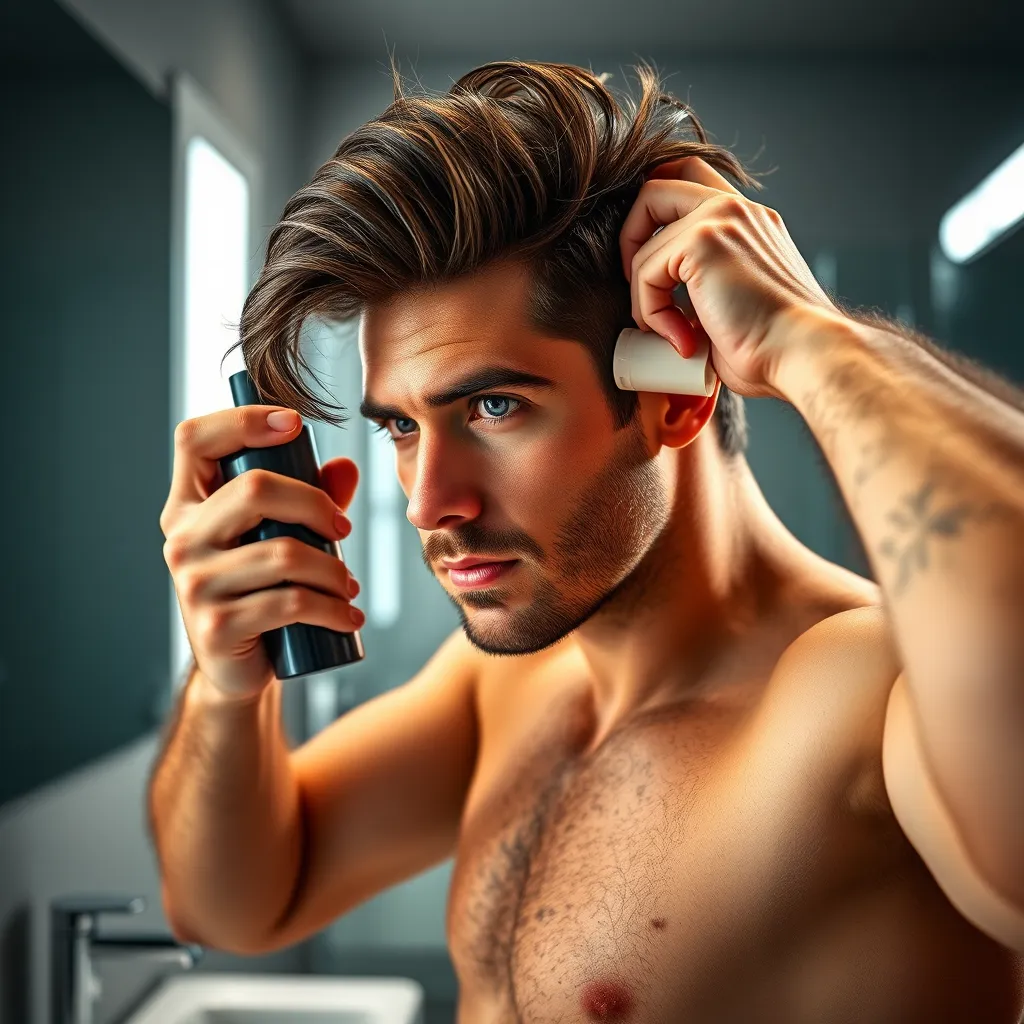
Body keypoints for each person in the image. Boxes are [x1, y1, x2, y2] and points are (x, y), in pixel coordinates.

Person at [151, 61, 1024, 1021]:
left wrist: (811, 340)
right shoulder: (505, 680)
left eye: (493, 406)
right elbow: (237, 904)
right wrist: (226, 686)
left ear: (673, 397)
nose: (426, 503)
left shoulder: (860, 698)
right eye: (401, 427)